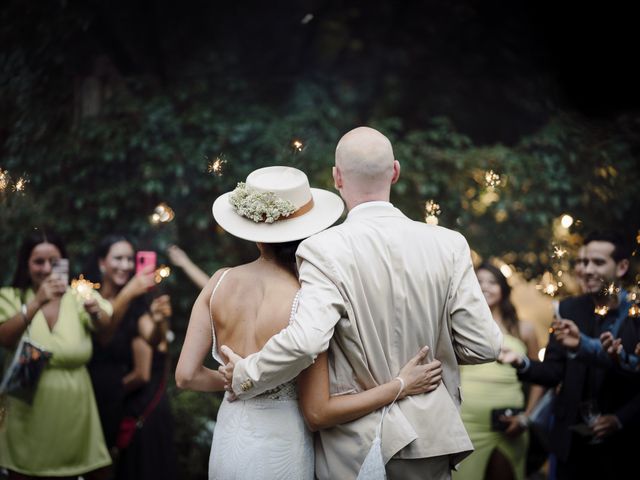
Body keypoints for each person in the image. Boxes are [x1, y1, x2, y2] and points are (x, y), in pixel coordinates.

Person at [220, 127, 503, 480]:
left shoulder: (322, 249)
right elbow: (485, 345)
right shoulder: (450, 244)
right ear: (395, 172)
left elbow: (307, 341)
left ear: (336, 177)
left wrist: (246, 373)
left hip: (357, 447)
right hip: (432, 439)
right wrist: (434, 346)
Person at [175, 165, 444, 480]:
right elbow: (319, 412)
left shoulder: (218, 282)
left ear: (253, 229)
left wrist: (240, 381)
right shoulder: (309, 298)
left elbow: (186, 376)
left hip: (229, 439)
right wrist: (401, 385)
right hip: (282, 446)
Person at [500, 230, 640, 479]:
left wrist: (619, 419)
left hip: (623, 446)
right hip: (570, 444)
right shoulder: (567, 309)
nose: (587, 269)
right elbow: (554, 371)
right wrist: (521, 362)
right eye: (583, 262)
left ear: (621, 267)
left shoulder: (635, 314)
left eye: (598, 262)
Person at [0, 229, 113, 479]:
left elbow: (106, 324)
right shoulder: (11, 296)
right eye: (39, 261)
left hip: (75, 411)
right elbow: (5, 338)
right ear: (26, 263)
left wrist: (95, 311)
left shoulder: (78, 295)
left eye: (54, 261)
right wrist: (37, 302)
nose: (47, 268)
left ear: (64, 262)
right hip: (26, 411)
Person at [84, 234, 175, 479]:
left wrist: (158, 322)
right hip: (88, 397)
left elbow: (152, 339)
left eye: (129, 259)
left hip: (117, 401)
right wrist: (129, 292)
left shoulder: (136, 303)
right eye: (118, 258)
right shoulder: (89, 299)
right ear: (102, 263)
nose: (125, 265)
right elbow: (104, 334)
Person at [453, 262, 542, 480]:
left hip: (509, 422)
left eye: (492, 282)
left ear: (503, 288)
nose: (484, 287)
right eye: (479, 282)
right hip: (466, 421)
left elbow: (539, 377)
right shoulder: (459, 326)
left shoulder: (524, 329)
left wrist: (527, 417)